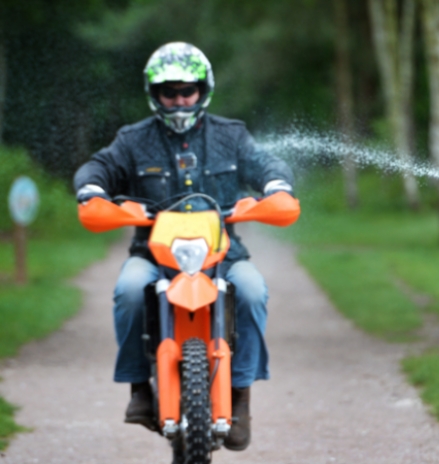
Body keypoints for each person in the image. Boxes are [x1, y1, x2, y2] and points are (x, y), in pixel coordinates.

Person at [73, 42, 295, 451]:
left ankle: (241, 397)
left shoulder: (232, 135)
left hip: (224, 255)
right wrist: (91, 187)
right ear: (153, 93)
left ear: (203, 89)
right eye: (168, 91)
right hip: (153, 255)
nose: (178, 100)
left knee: (252, 290)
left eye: (186, 90)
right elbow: (100, 166)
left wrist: (276, 184)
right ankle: (140, 388)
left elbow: (265, 164)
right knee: (128, 291)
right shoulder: (132, 140)